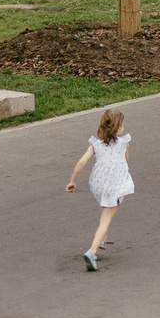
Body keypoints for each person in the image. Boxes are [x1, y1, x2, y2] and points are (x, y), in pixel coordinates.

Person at [65, 107, 135, 272]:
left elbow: (82, 162)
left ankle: (102, 239)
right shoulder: (124, 142)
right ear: (117, 128)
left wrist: (72, 181)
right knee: (107, 217)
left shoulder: (95, 144)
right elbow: (126, 161)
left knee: (106, 209)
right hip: (114, 183)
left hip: (98, 183)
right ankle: (92, 251)